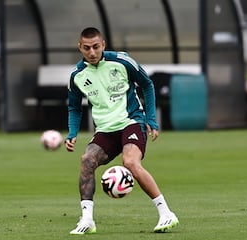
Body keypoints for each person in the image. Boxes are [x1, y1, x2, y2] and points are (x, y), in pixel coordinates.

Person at [65, 27, 179, 235]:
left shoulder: (122, 61)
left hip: (131, 122)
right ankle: (87, 220)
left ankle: (166, 213)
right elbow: (73, 107)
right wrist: (72, 133)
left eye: (96, 47)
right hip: (106, 130)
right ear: (80, 47)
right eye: (87, 48)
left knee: (130, 162)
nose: (92, 52)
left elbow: (147, 84)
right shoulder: (77, 76)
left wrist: (151, 120)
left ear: (104, 45)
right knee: (87, 160)